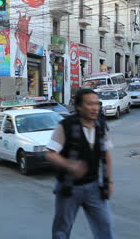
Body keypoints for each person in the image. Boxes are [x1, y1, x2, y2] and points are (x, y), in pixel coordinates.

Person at [46, 89, 115, 239]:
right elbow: (51, 153)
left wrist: (109, 181)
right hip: (69, 188)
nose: (95, 108)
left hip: (94, 187)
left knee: (105, 226)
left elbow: (107, 155)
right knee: (61, 231)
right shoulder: (65, 126)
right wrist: (69, 165)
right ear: (78, 107)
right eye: (89, 104)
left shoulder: (101, 127)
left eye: (97, 103)